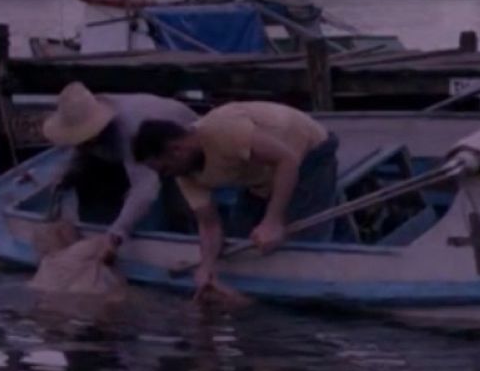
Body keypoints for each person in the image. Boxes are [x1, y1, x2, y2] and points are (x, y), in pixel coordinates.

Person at [133, 101, 340, 301]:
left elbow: (288, 160)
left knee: (300, 247)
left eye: (164, 170)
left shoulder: (223, 129)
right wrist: (206, 267)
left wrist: (272, 221)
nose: (165, 177)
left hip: (307, 154)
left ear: (176, 150)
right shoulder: (185, 174)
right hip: (259, 176)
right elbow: (209, 224)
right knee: (242, 244)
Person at [42, 82, 199, 256]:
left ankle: (185, 236)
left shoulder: (132, 130)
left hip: (178, 149)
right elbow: (81, 151)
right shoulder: (86, 112)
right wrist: (64, 176)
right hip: (133, 149)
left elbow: (145, 189)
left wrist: (116, 233)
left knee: (179, 205)